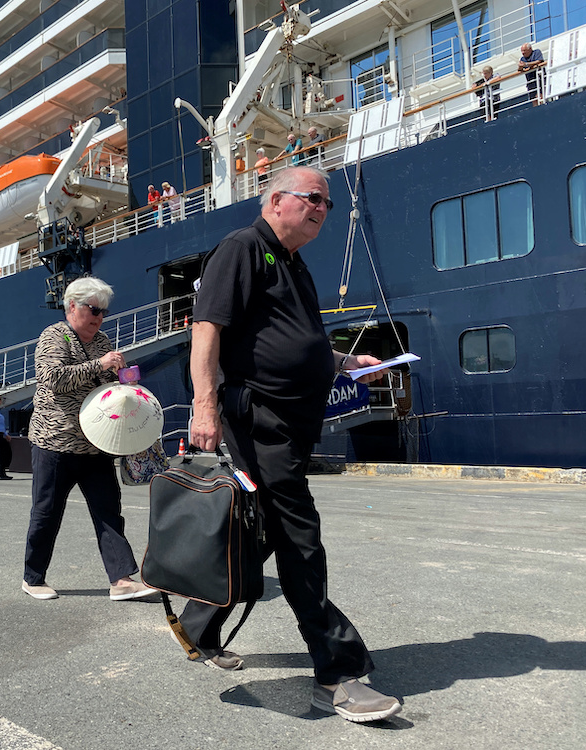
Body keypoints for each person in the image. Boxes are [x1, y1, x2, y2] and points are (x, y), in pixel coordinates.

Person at [175, 166, 402, 723]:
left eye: (327, 201)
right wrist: (204, 408)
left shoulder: (294, 263)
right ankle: (338, 672)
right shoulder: (242, 248)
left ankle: (196, 624)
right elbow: (208, 330)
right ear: (276, 200)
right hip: (260, 421)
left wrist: (350, 364)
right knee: (301, 535)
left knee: (266, 532)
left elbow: (299, 342)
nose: (324, 208)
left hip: (293, 424)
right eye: (315, 199)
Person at [22, 276, 156, 602]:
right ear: (72, 306)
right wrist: (99, 364)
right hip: (55, 441)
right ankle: (33, 578)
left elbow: (105, 383)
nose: (98, 317)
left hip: (96, 442)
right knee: (47, 512)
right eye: (93, 309)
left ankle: (121, 580)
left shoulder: (102, 340)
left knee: (109, 510)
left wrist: (122, 378)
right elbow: (53, 378)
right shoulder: (54, 337)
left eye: (103, 312)